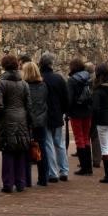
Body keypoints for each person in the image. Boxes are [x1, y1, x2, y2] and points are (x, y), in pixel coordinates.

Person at [0, 54, 32, 193]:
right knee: (20, 151)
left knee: (7, 151)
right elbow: (29, 105)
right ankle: (20, 182)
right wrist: (29, 121)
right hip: (21, 119)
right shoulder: (24, 84)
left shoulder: (1, 83)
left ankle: (8, 183)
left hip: (7, 120)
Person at [41, 53, 69, 183]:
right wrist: (63, 111)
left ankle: (53, 172)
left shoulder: (40, 79)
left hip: (45, 115)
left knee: (48, 144)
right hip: (57, 114)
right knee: (59, 143)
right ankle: (64, 170)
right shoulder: (59, 79)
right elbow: (65, 98)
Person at [24, 61, 49, 187]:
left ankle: (27, 180)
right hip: (41, 120)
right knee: (42, 149)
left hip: (28, 121)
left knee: (27, 149)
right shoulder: (43, 85)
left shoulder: (25, 86)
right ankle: (43, 178)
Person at [66, 57, 93, 176]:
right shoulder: (89, 77)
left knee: (79, 138)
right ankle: (89, 166)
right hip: (87, 110)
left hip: (76, 111)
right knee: (86, 137)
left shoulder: (72, 80)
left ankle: (84, 167)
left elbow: (69, 99)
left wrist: (67, 110)